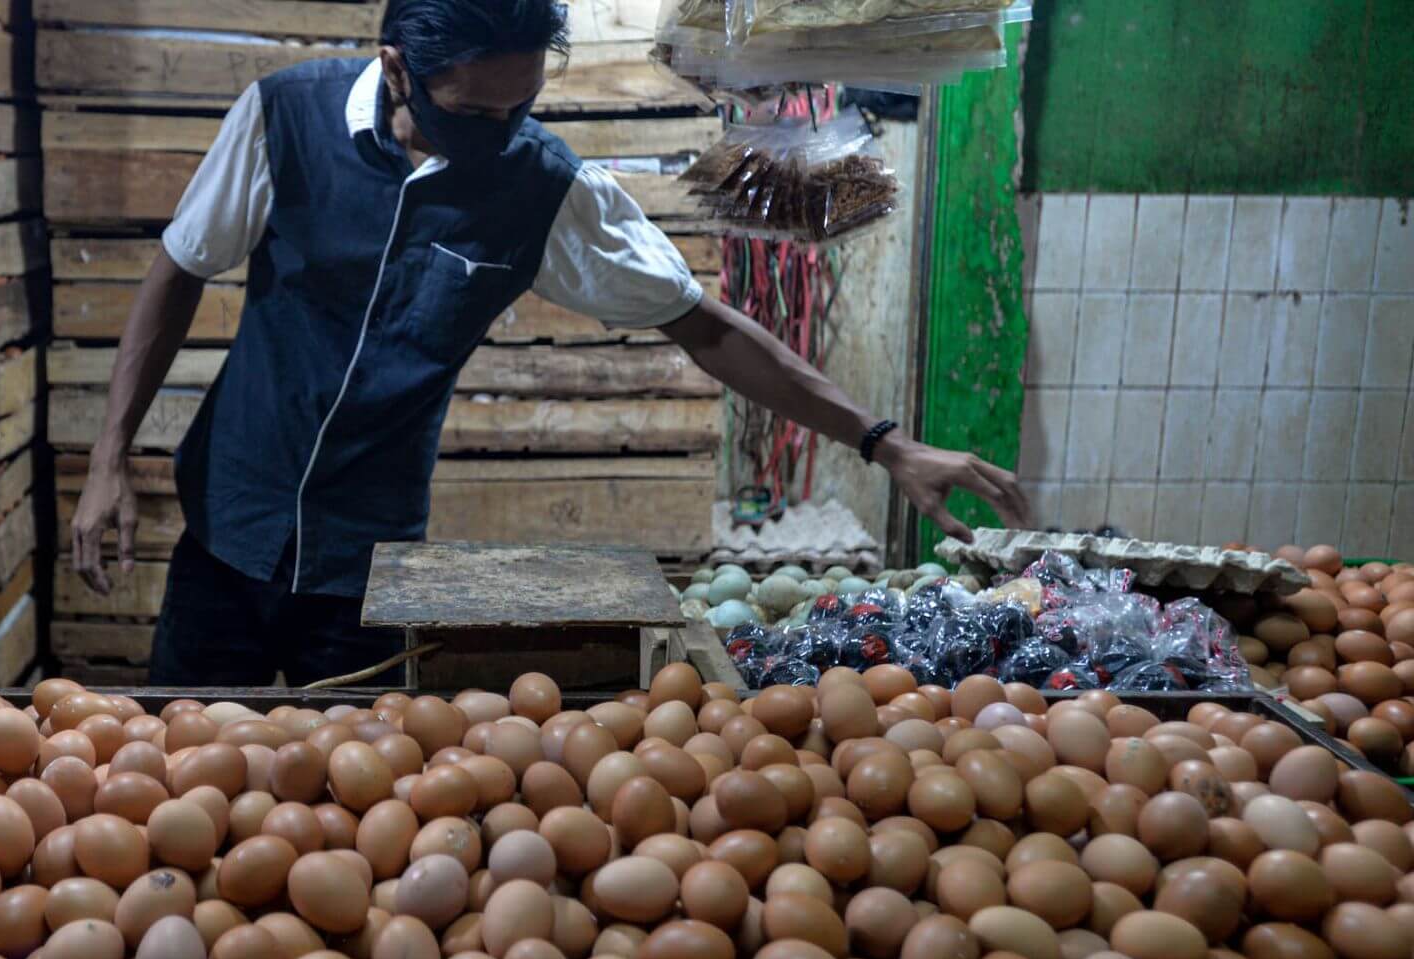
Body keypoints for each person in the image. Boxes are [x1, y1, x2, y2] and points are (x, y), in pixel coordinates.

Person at [70, 0, 1029, 687]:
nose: (499, 134)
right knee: (184, 767)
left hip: (368, 572)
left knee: (343, 821)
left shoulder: (542, 187)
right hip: (224, 539)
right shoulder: (284, 117)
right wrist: (109, 458)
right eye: (475, 113)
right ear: (398, 67)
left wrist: (883, 441)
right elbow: (180, 268)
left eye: (518, 110)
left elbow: (704, 327)